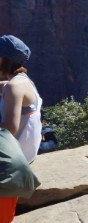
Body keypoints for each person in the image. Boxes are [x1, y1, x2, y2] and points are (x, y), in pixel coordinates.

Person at [0, 35, 42, 163]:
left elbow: (9, 129)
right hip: (28, 153)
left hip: (15, 159)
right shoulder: (22, 81)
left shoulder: (14, 87)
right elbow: (4, 86)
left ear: (3, 59)